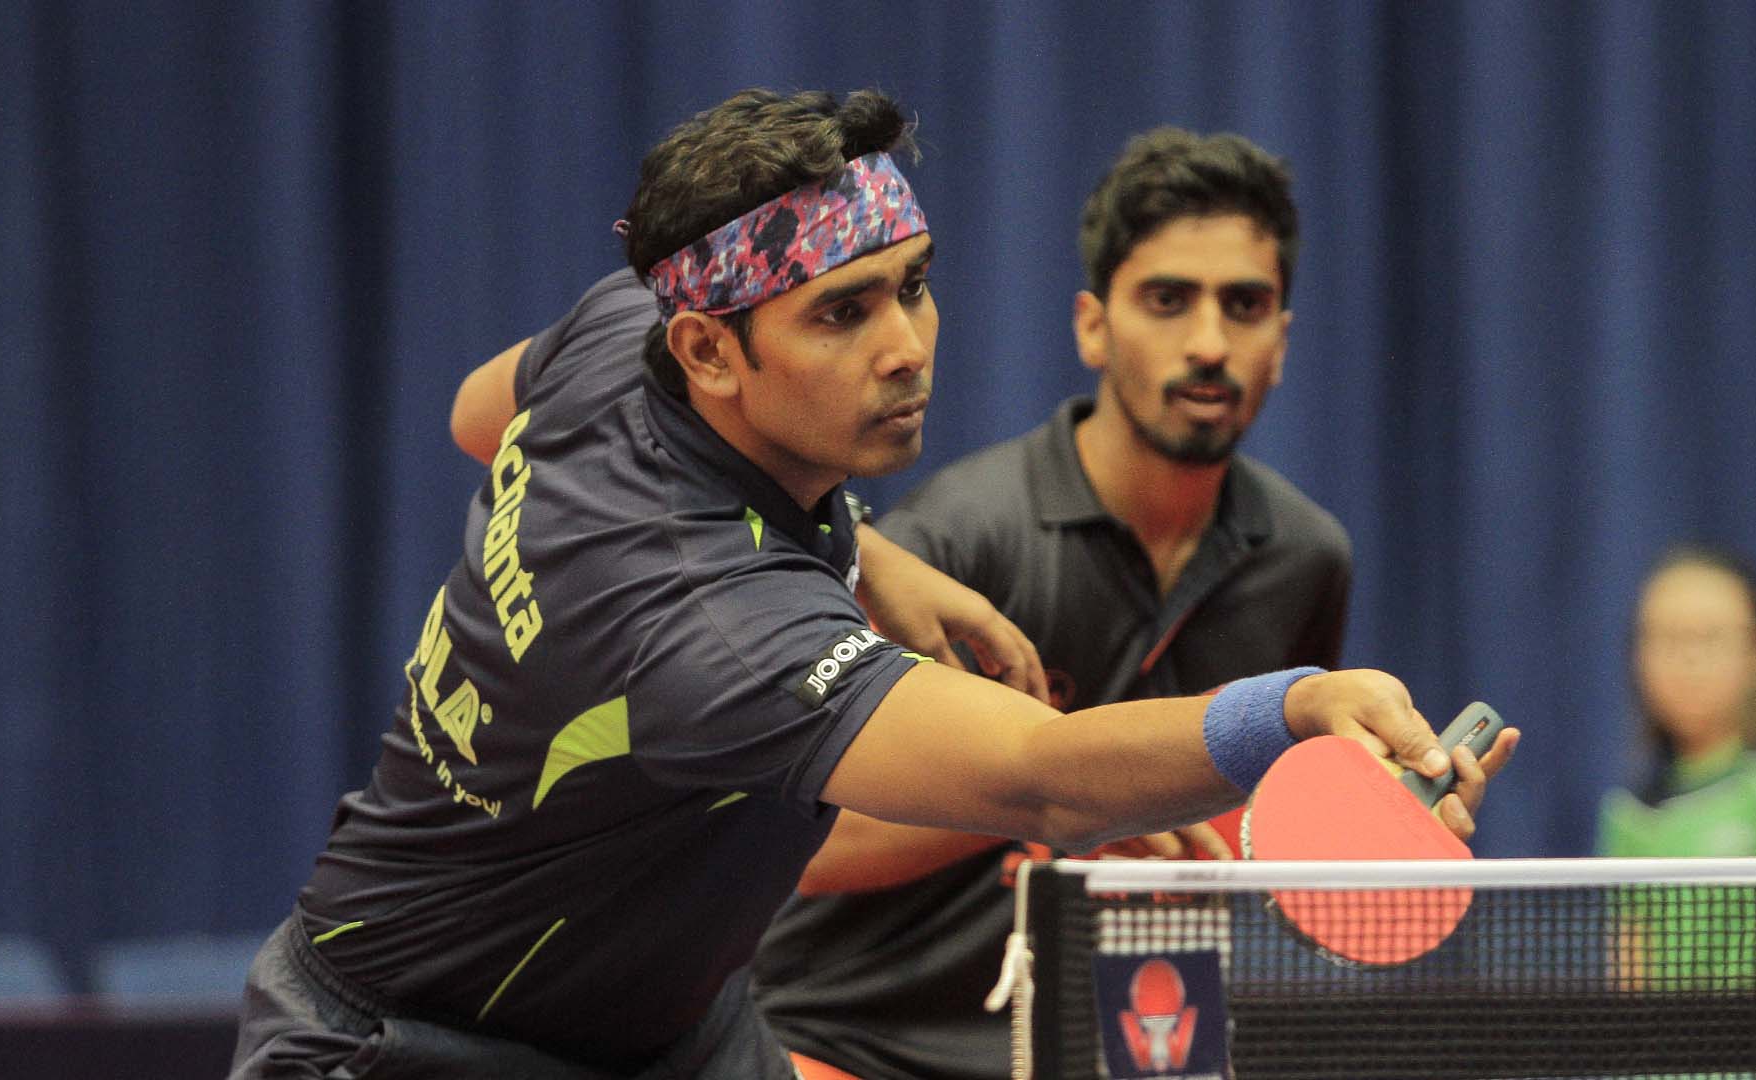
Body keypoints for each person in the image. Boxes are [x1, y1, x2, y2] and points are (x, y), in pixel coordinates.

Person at [229, 89, 1497, 1080]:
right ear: (711, 351)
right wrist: (1292, 715)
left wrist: (868, 554)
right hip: (420, 1042)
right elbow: (1037, 780)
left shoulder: (625, 334)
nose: (906, 348)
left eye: (916, 286)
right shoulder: (709, 623)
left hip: (671, 1031)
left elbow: (473, 413)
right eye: (843, 315)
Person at [748, 127, 1521, 1080]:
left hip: (1131, 1049)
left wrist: (1360, 826)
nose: (1207, 342)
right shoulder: (955, 543)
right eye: (1167, 301)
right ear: (1093, 326)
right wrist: (1070, 797)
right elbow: (810, 850)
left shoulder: (1306, 558)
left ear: (1281, 340)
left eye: (1245, 306)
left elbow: (1232, 846)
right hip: (859, 1043)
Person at [1596, 544, 1756, 990]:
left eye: (1711, 636)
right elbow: (1632, 994)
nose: (1689, 659)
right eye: (1666, 637)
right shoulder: (1628, 810)